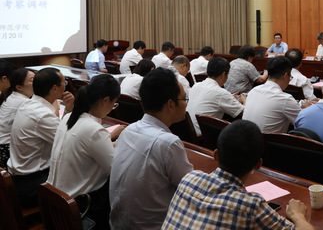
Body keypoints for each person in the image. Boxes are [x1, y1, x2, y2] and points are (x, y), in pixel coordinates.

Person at [162, 120, 314, 230]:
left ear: (216, 155)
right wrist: (297, 215)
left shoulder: (188, 179)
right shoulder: (250, 205)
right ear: (258, 164)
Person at [110, 68, 193, 230]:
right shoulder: (168, 143)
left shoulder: (129, 130)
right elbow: (191, 189)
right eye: (184, 98)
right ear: (170, 104)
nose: (186, 103)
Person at [48, 74, 125, 229]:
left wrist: (114, 143)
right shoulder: (94, 130)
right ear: (105, 100)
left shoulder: (69, 117)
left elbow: (88, 148)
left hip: (56, 200)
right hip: (80, 207)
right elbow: (116, 170)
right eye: (114, 103)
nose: (112, 108)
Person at [7, 68, 75, 208]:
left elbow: (59, 130)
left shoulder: (28, 104)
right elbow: (70, 142)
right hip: (33, 184)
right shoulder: (42, 114)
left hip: (20, 179)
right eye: (65, 83)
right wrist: (110, 136)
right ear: (54, 88)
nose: (66, 86)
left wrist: (68, 110)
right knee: (83, 172)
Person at [242, 56, 310, 133]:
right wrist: (308, 109)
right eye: (290, 77)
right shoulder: (285, 99)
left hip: (246, 138)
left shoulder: (253, 91)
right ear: (285, 76)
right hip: (268, 140)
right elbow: (306, 124)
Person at [187, 57, 245, 136]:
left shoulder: (196, 86)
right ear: (224, 74)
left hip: (190, 134)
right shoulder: (221, 93)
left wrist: (229, 97)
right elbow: (244, 112)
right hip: (204, 137)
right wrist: (244, 99)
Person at [0, 68, 34, 168]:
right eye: (32, 80)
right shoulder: (24, 102)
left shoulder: (12, 96)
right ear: (19, 87)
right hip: (6, 149)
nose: (37, 82)